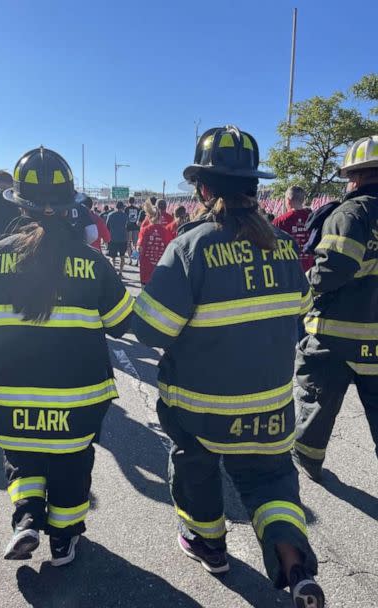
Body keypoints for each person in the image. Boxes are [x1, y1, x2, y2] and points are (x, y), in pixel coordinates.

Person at [133, 126, 324, 608]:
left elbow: (152, 330)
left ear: (203, 187)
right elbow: (300, 310)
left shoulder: (191, 247)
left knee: (194, 469)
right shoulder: (282, 245)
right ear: (254, 187)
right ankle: (293, 563)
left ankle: (208, 545)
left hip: (201, 412)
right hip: (272, 409)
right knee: (270, 481)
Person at [0, 147, 134, 566]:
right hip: (76, 403)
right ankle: (64, 540)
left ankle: (26, 519)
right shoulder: (93, 262)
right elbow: (122, 323)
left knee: (21, 454)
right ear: (71, 205)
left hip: (4, 402)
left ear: (19, 202)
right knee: (70, 462)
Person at [293, 135, 378, 483]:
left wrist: (302, 285)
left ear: (353, 177)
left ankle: (309, 461)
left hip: (335, 336)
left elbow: (332, 270)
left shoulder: (351, 213)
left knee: (317, 403)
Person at [273, 187, 314, 272]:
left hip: (287, 272)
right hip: (310, 271)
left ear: (288, 200)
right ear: (303, 200)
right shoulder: (313, 220)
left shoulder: (278, 222)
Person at [137, 200, 171, 286]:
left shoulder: (145, 230)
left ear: (149, 216)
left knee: (145, 295)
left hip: (146, 267)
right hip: (162, 267)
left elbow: (139, 248)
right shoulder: (166, 231)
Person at [106, 201, 128, 276]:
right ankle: (120, 272)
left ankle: (114, 271)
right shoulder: (125, 215)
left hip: (112, 239)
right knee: (122, 257)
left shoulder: (110, 215)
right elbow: (127, 227)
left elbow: (107, 227)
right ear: (122, 208)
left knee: (113, 257)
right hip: (123, 238)